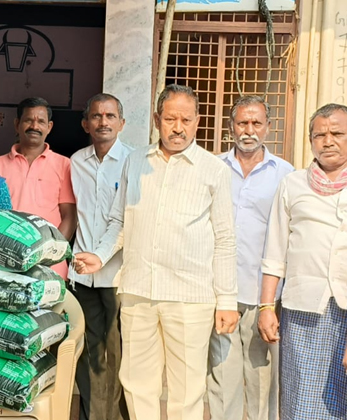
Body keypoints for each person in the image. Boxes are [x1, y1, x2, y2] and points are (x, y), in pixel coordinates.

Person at [74, 84, 238, 420]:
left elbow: (224, 238)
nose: (178, 127)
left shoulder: (213, 170)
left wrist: (227, 301)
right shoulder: (135, 161)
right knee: (136, 382)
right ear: (156, 120)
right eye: (170, 119)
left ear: (197, 121)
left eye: (186, 120)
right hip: (138, 291)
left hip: (190, 296)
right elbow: (120, 219)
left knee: (186, 389)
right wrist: (100, 256)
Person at [258, 103, 347, 420]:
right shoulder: (293, 184)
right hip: (304, 310)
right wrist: (266, 307)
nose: (328, 141)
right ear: (310, 141)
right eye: (319, 134)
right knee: (302, 399)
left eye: (337, 133)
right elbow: (274, 252)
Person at [207, 96, 293, 420]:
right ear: (231, 127)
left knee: (261, 381)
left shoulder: (285, 175)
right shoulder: (213, 168)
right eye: (242, 123)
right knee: (221, 378)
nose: (249, 130)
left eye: (256, 123)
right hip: (222, 292)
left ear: (268, 128)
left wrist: (272, 301)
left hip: (264, 296)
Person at [68, 93, 132, 420]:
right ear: (85, 124)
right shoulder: (75, 161)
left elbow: (123, 221)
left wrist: (101, 256)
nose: (103, 122)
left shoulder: (134, 162)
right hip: (81, 275)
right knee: (87, 351)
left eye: (110, 116)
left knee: (118, 353)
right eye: (96, 116)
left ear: (122, 123)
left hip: (118, 275)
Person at [0, 97, 76, 278]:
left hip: (50, 265)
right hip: (7, 262)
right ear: (17, 124)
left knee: (51, 307)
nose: (34, 126)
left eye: (41, 121)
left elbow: (70, 215)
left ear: (49, 127)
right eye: (28, 120)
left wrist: (50, 253)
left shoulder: (64, 164)